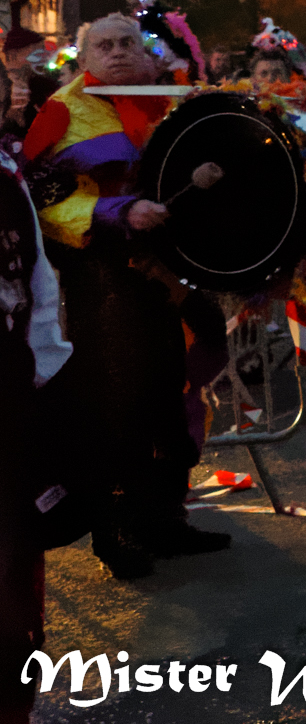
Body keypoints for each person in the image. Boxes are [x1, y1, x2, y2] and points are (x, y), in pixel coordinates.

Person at [23, 14, 232, 579]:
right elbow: (41, 205)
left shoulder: (168, 102)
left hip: (165, 275)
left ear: (146, 55)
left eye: (127, 44)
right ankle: (116, 532)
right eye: (104, 45)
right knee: (115, 403)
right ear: (84, 58)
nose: (116, 53)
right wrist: (117, 213)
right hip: (102, 276)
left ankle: (166, 520)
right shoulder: (62, 112)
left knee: (169, 393)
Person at [1, 143, 71, 724]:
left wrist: (45, 368)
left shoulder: (6, 181)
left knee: (11, 555)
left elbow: (36, 283)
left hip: (7, 392)